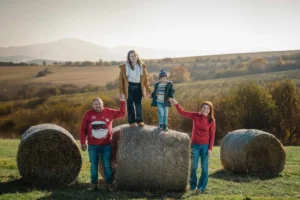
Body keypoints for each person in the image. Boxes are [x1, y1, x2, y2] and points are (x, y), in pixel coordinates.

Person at [169, 98, 216, 194]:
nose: (205, 110)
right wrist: (176, 104)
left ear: (210, 111)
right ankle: (193, 186)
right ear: (201, 108)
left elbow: (212, 135)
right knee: (193, 167)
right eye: (204, 108)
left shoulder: (212, 121)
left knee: (204, 168)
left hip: (205, 147)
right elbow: (183, 112)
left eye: (207, 109)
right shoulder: (196, 116)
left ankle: (201, 187)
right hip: (195, 145)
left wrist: (210, 148)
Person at [80, 96, 126, 191]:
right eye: (96, 104)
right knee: (93, 166)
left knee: (107, 166)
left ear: (102, 104)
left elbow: (122, 113)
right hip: (93, 146)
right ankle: (93, 184)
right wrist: (83, 142)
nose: (98, 105)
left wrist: (122, 101)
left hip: (106, 145)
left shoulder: (109, 112)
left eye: (99, 103)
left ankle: (109, 184)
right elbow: (83, 129)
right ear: (93, 105)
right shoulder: (88, 114)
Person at [118, 50, 151, 127]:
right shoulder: (124, 67)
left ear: (137, 56)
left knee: (138, 104)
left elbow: (146, 80)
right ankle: (131, 122)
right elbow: (120, 81)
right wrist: (121, 92)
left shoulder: (142, 66)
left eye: (134, 55)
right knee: (130, 105)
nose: (133, 57)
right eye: (131, 56)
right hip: (128, 87)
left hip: (138, 87)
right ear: (129, 58)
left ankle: (139, 121)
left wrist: (148, 91)